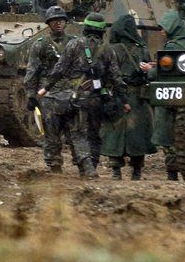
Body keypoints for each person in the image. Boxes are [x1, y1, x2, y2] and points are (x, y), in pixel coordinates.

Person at [39, 12, 128, 177]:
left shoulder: (74, 44)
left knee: (79, 134)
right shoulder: (108, 49)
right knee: (94, 135)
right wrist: (124, 100)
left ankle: (88, 170)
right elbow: (116, 77)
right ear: (102, 30)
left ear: (85, 28)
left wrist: (46, 88)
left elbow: (60, 69)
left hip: (76, 97)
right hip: (97, 98)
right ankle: (91, 166)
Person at [101, 14, 157, 180]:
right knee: (137, 134)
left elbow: (106, 73)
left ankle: (116, 170)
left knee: (114, 133)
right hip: (138, 98)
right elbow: (148, 74)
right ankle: (137, 170)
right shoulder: (143, 49)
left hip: (118, 95)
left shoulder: (112, 49)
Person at [24, 6, 75, 173]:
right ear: (49, 23)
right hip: (48, 95)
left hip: (71, 93)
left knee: (76, 133)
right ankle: (54, 165)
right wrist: (31, 94)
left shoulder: (74, 43)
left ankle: (83, 163)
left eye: (61, 20)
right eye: (55, 20)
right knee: (51, 134)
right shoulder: (40, 45)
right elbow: (32, 70)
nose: (59, 23)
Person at [152, 10, 185, 181]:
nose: (162, 31)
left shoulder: (172, 46)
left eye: (164, 28)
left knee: (169, 137)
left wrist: (151, 70)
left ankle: (173, 174)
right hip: (183, 95)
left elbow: (159, 73)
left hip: (173, 101)